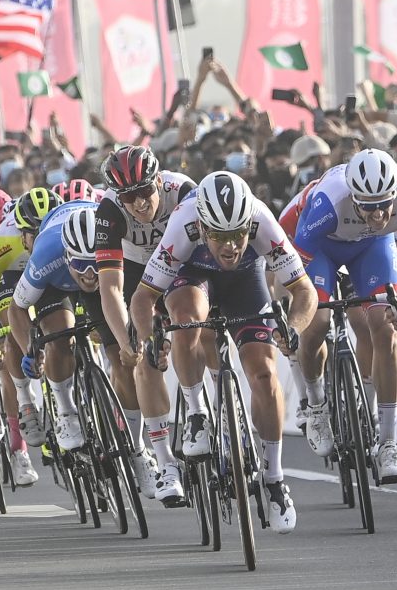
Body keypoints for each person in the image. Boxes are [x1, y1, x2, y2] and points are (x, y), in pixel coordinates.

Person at [130, 172, 318, 532]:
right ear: (202, 228)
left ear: (249, 225)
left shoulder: (262, 220)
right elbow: (143, 296)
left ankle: (274, 479)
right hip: (193, 276)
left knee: (264, 373)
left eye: (238, 235)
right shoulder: (184, 222)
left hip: (245, 281)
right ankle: (197, 412)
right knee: (187, 320)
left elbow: (304, 290)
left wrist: (293, 328)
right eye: (218, 236)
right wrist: (149, 336)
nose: (230, 246)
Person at [293, 150, 397, 484]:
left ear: (393, 193)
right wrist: (293, 313)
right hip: (322, 251)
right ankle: (316, 405)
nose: (377, 214)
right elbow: (291, 272)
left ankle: (388, 442)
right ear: (352, 197)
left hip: (371, 248)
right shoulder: (329, 201)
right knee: (316, 324)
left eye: (384, 205)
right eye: (367, 206)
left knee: (385, 328)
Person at [93, 145, 196, 500]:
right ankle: (166, 464)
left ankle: (211, 419)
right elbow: (110, 288)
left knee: (196, 329)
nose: (138, 203)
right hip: (138, 273)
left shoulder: (183, 191)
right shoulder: (109, 210)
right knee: (143, 357)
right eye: (128, 196)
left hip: (183, 265)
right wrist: (127, 344)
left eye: (144, 191)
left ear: (159, 181)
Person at [0, 188, 65, 487]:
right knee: (11, 328)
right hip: (11, 278)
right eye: (34, 234)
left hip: (51, 273)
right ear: (21, 232)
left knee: (61, 330)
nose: (41, 239)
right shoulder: (1, 245)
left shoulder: (64, 235)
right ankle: (25, 401)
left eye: (46, 231)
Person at [5, 200, 100, 454]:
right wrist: (31, 350)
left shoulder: (115, 240)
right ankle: (66, 410)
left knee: (115, 342)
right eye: (80, 263)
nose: (89, 273)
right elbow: (16, 308)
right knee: (59, 337)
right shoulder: (46, 254)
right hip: (56, 282)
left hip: (106, 272)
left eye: (93, 264)